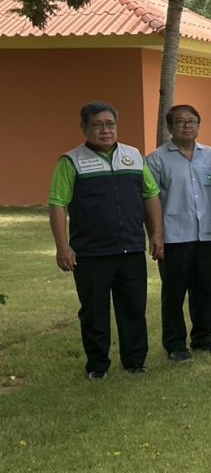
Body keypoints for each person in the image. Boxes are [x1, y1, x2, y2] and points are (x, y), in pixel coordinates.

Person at [49, 101, 163, 379]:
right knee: (94, 312)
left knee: (133, 308)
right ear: (84, 128)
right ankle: (98, 365)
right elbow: (58, 203)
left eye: (109, 124)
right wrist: (63, 246)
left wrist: (157, 233)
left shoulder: (133, 156)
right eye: (97, 125)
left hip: (130, 248)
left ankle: (135, 361)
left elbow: (150, 195)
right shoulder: (70, 161)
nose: (105, 130)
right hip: (91, 253)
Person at [146, 104, 211, 361]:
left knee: (205, 290)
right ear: (170, 127)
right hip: (174, 236)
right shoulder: (156, 159)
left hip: (205, 235)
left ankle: (203, 338)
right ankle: (175, 344)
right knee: (174, 293)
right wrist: (156, 235)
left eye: (192, 121)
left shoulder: (210, 156)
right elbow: (149, 200)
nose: (187, 126)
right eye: (180, 122)